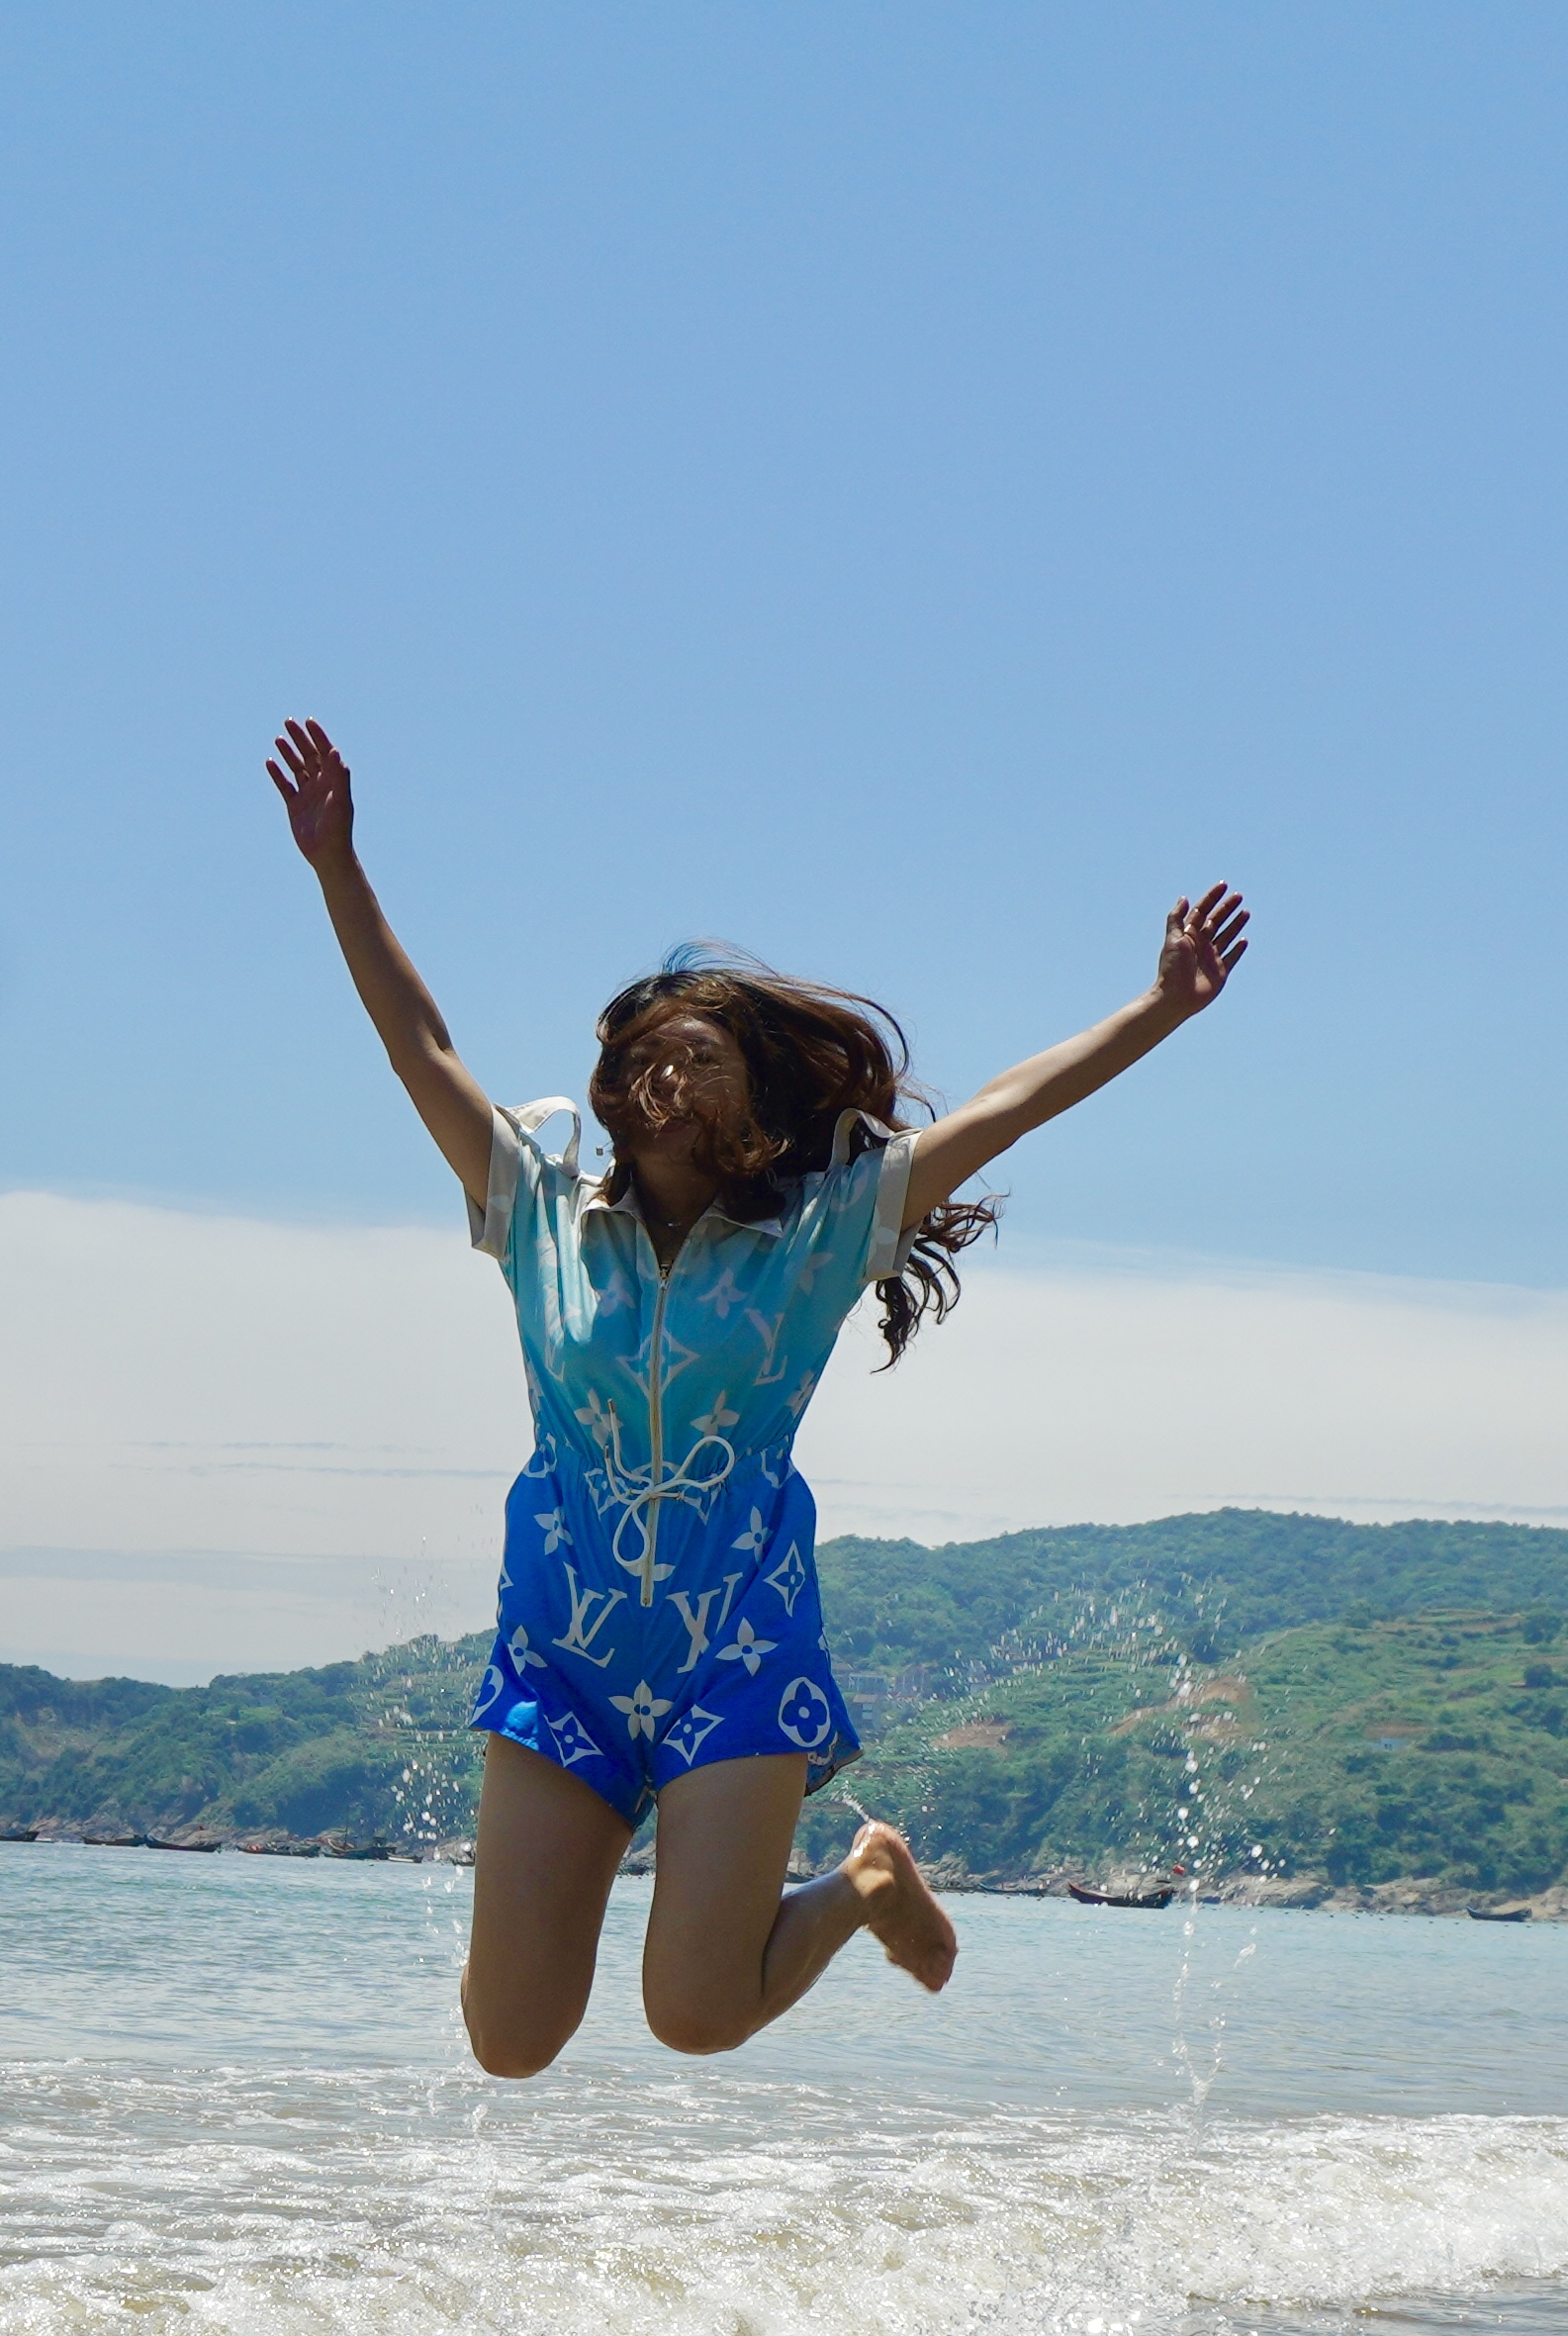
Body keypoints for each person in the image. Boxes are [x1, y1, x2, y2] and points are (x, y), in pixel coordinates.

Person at [267, 715, 1251, 2075]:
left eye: (703, 1059)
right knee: (509, 2042)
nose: (670, 1077)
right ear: (612, 1092)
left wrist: (1158, 1008)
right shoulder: (536, 1216)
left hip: (738, 1655)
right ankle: (830, 1887)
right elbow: (418, 1050)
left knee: (696, 2016)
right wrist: (338, 869)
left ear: (756, 1101)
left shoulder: (820, 1237)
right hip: (562, 1663)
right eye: (648, 1060)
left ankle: (860, 1887)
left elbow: (1010, 1108)